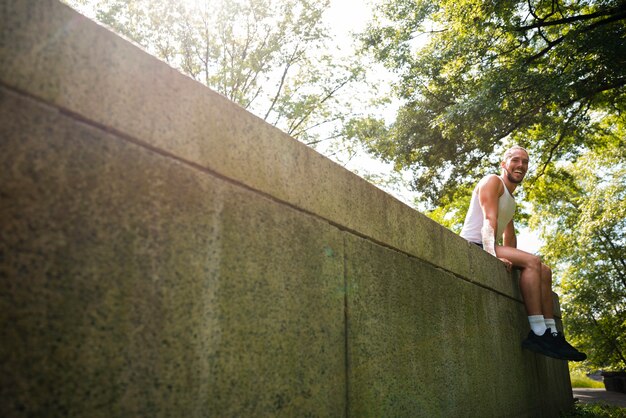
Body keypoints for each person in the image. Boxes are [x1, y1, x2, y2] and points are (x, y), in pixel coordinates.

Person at [460, 145, 586, 361]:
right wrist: (493, 256)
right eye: (515, 160)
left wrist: (521, 262)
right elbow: (489, 222)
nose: (521, 165)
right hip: (476, 244)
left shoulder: (511, 199)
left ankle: (552, 334)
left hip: (488, 244)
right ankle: (537, 333)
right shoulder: (493, 181)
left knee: (544, 270)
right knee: (533, 261)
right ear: (504, 164)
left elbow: (509, 236)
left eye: (525, 162)